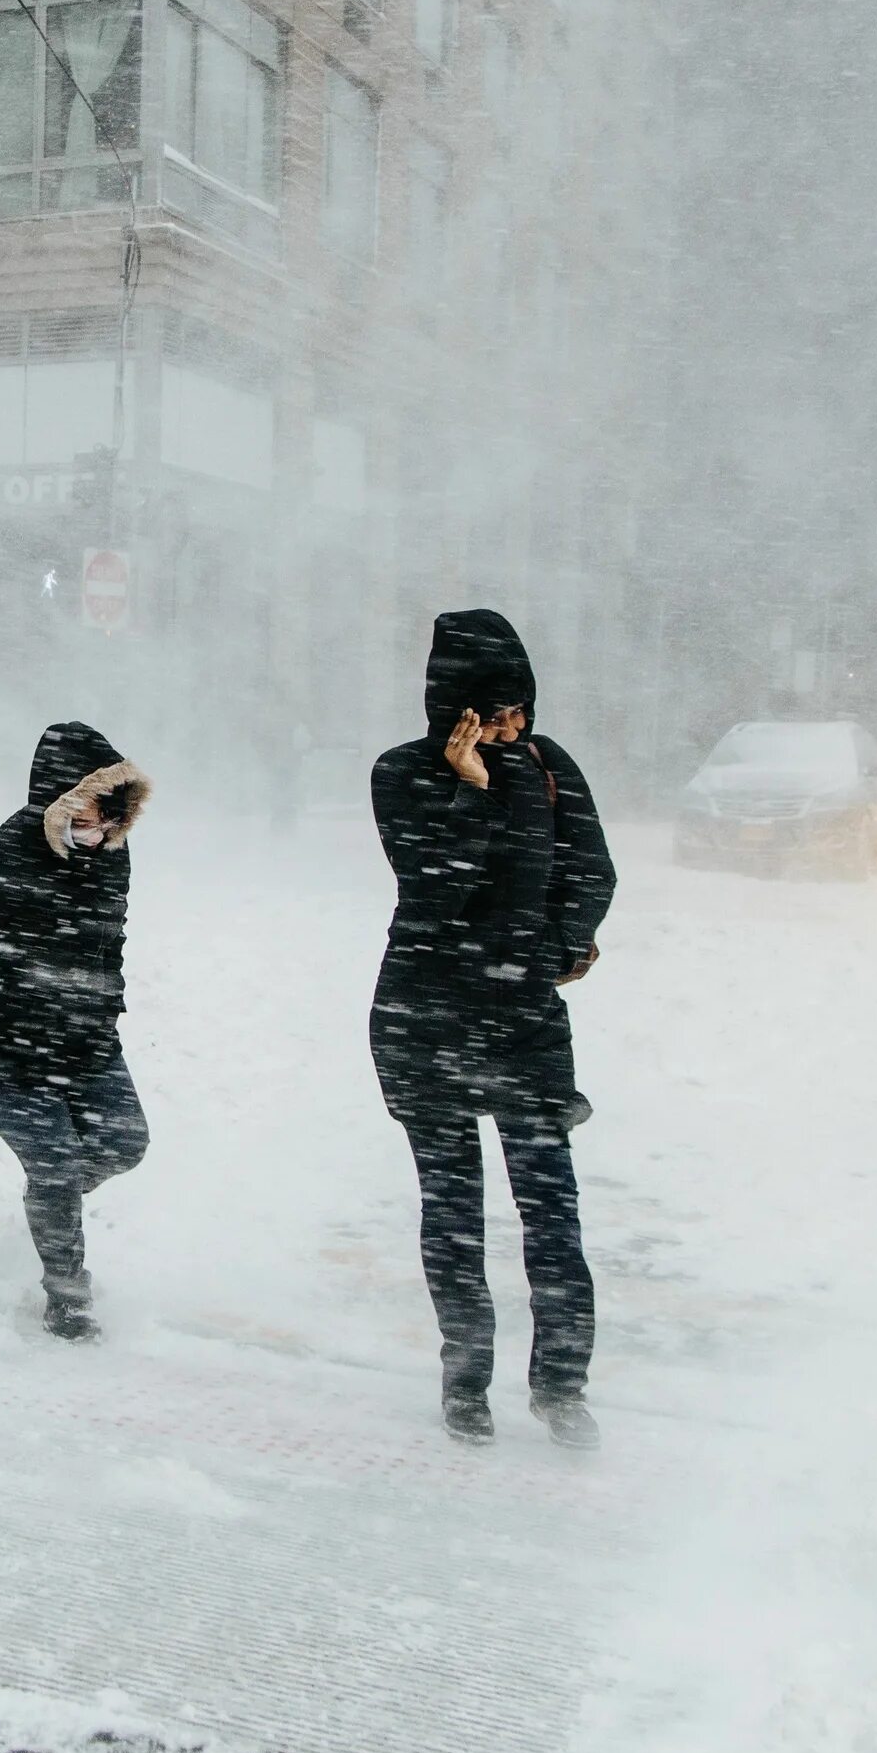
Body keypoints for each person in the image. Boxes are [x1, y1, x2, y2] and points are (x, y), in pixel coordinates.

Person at [368, 611, 616, 1447]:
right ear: (453, 711)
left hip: (524, 1022)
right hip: (424, 1017)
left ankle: (562, 1388)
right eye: (493, 714)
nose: (512, 727)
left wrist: (548, 951)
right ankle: (466, 1381)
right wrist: (469, 788)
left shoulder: (550, 768)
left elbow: (592, 871)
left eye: (521, 710)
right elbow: (432, 886)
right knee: (455, 1213)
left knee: (553, 1214)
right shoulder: (402, 772)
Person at [0, 722, 153, 1341]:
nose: (100, 831)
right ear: (57, 800)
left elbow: (111, 941)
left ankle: (49, 1204)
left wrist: (102, 1005)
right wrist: (26, 984)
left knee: (123, 1145)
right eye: (88, 814)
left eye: (111, 818)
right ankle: (68, 1297)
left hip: (85, 1042)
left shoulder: (110, 852)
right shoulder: (3, 854)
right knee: (55, 1164)